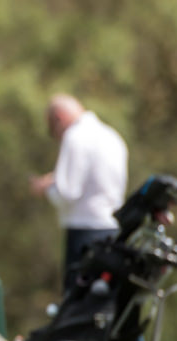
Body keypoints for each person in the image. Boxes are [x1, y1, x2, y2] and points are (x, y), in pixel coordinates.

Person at [29, 95, 128, 291]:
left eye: (53, 131)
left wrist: (46, 187)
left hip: (84, 236)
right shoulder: (111, 136)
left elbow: (68, 193)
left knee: (77, 306)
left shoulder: (75, 136)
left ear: (58, 118)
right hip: (113, 232)